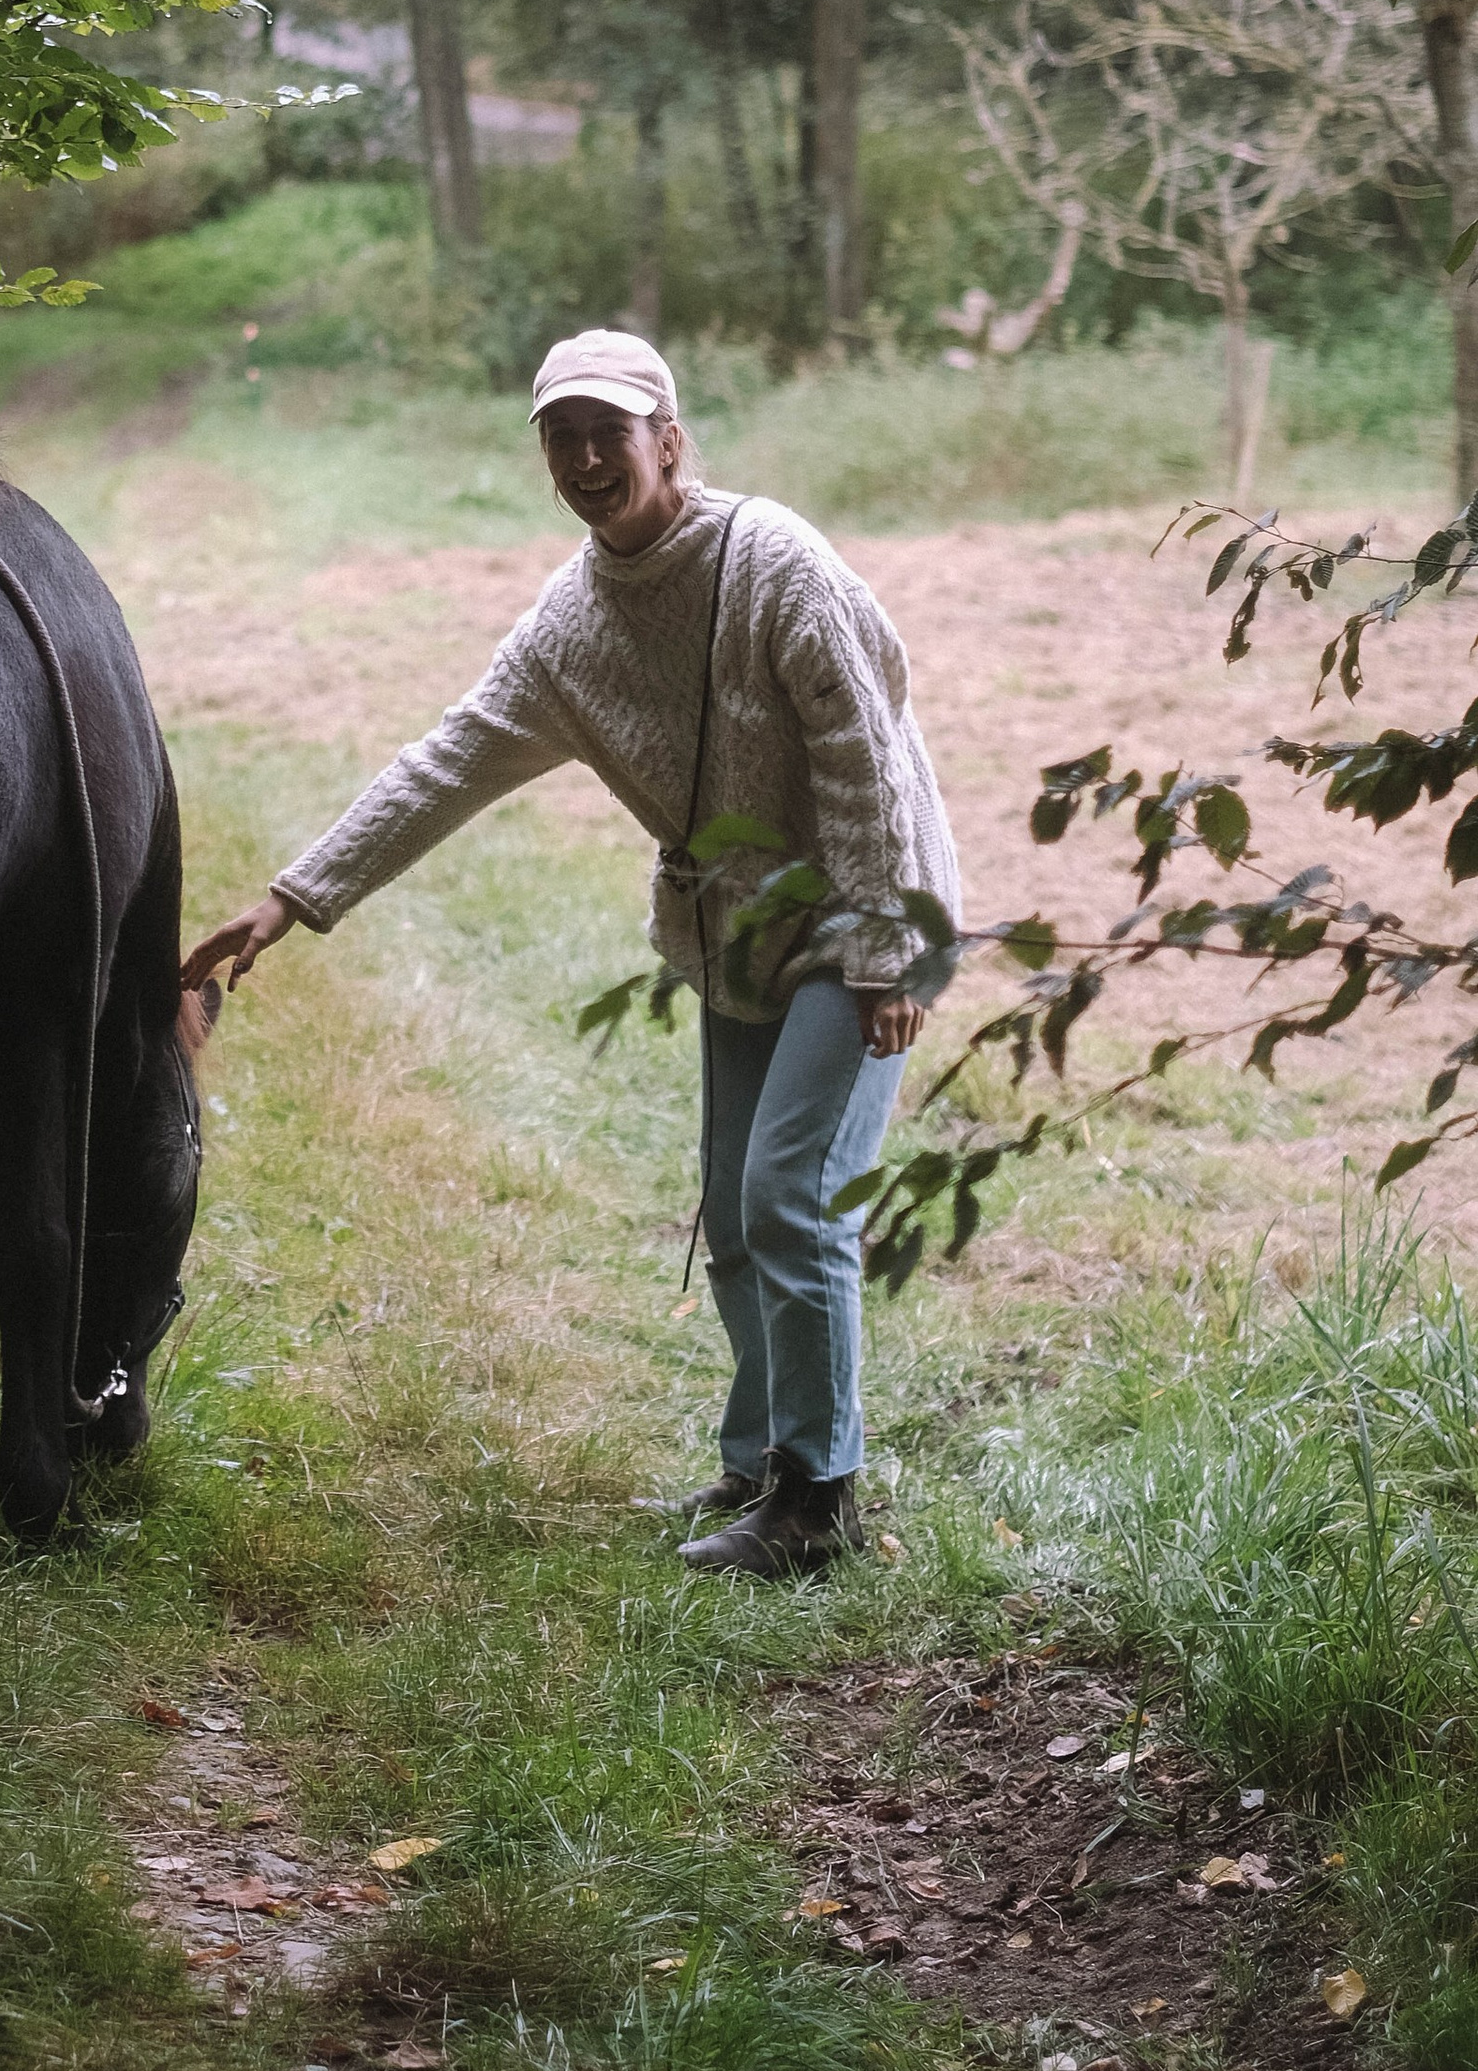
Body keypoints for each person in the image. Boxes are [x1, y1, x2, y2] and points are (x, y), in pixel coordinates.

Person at [180, 327, 959, 1580]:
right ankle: (759, 1462)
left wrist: (877, 956)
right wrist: (293, 899)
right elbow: (451, 760)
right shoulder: (571, 623)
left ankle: (819, 1506)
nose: (589, 458)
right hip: (740, 927)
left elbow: (864, 757)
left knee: (789, 1195)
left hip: (872, 910)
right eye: (562, 436)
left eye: (611, 432)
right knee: (737, 1207)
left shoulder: (775, 565)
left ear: (668, 440)